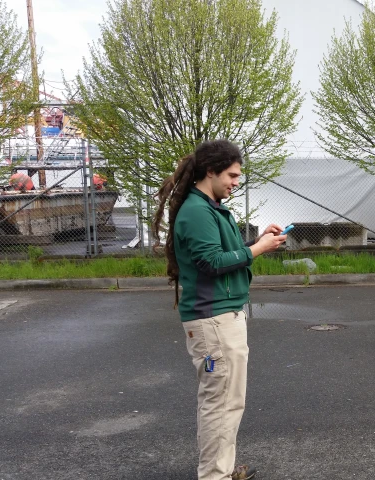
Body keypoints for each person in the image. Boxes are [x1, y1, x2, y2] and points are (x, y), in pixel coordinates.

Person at [152, 139, 286, 480]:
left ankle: (221, 469)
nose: (236, 182)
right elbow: (211, 262)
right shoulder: (198, 211)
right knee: (221, 404)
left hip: (217, 317)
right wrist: (257, 249)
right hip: (214, 321)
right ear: (210, 171)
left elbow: (216, 254)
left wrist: (256, 245)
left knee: (225, 402)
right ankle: (215, 475)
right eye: (232, 174)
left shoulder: (206, 207)